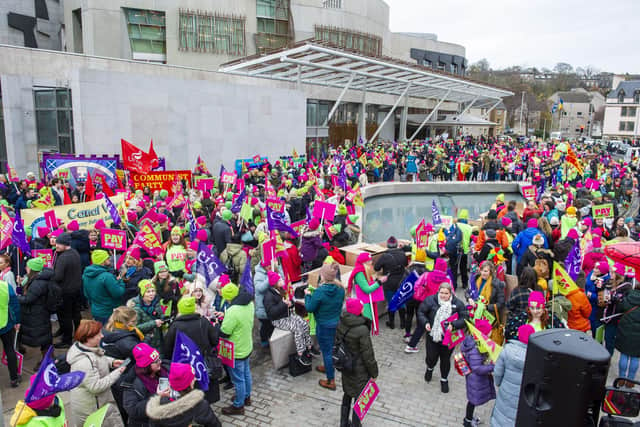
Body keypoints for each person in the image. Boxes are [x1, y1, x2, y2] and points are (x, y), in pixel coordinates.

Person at [66, 319, 126, 427]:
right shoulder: (83, 362)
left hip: (96, 402)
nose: (102, 336)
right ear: (89, 338)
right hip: (92, 408)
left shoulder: (88, 349)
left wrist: (111, 362)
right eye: (98, 334)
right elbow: (95, 387)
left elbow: (97, 358)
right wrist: (117, 372)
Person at [163, 296, 220, 403]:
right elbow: (215, 340)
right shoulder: (203, 321)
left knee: (187, 389)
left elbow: (168, 347)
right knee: (203, 387)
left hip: (184, 364)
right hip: (201, 363)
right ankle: (203, 407)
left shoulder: (175, 325)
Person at [418, 281, 467, 393]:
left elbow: (465, 318)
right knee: (431, 357)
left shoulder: (458, 304)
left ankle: (444, 379)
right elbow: (421, 312)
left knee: (445, 360)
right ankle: (429, 368)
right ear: (438, 292)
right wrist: (425, 322)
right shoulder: (431, 300)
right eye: (442, 293)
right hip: (433, 336)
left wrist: (454, 325)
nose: (444, 295)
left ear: (451, 294)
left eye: (446, 293)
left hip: (448, 339)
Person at [337, 298, 378, 427]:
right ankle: (356, 425)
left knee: (347, 394)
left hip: (346, 365)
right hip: (359, 369)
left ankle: (343, 423)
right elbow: (368, 354)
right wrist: (374, 372)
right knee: (360, 399)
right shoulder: (361, 330)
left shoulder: (341, 322)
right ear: (358, 311)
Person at [304, 263, 345, 390]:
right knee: (329, 348)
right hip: (335, 323)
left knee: (326, 351)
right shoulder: (340, 288)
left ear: (324, 276)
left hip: (323, 325)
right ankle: (328, 366)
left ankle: (330, 380)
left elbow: (309, 308)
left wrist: (307, 295)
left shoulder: (320, 292)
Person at [145, 363, 221, 427]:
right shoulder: (199, 405)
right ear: (189, 384)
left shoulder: (158, 406)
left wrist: (158, 396)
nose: (195, 379)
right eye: (192, 378)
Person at [219, 282, 255, 416]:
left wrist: (219, 325)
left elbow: (225, 332)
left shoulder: (232, 311)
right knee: (246, 373)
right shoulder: (249, 303)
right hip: (246, 345)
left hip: (236, 350)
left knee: (238, 379)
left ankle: (238, 406)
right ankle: (246, 396)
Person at [264, 271, 314, 365]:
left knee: (304, 323)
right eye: (280, 279)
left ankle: (309, 347)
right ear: (275, 283)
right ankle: (301, 353)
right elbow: (271, 313)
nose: (282, 280)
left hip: (287, 315)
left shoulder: (281, 290)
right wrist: (284, 304)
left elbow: (288, 301)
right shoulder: (268, 296)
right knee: (297, 328)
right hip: (278, 320)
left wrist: (290, 304)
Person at [490, 324, 535, 427]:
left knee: (502, 414)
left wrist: (498, 383)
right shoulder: (535, 356)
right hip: (524, 396)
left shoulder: (507, 350)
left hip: (506, 390)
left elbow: (497, 372)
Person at [17, 257, 52, 371]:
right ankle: (47, 356)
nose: (25, 268)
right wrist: (21, 281)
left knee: (43, 337)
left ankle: (47, 359)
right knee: (44, 336)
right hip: (38, 312)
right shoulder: (35, 279)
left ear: (32, 269)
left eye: (27, 266)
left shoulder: (38, 283)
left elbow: (29, 299)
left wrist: (17, 298)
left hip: (38, 314)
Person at [122, 343, 168, 427]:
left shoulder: (163, 370)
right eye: (156, 361)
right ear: (146, 366)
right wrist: (157, 397)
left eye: (159, 358)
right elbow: (133, 411)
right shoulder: (131, 383)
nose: (160, 362)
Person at [461, 319, 496, 427]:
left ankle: (469, 418)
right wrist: (492, 367)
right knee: (473, 400)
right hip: (475, 379)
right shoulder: (476, 348)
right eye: (489, 332)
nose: (491, 333)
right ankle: (468, 421)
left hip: (473, 378)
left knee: (472, 399)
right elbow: (477, 368)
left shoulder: (474, 341)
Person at [52, 232, 82, 348]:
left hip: (65, 291)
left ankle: (66, 340)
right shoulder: (74, 252)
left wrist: (50, 274)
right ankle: (78, 333)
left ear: (65, 244)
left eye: (59, 244)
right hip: (75, 289)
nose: (57, 246)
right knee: (75, 314)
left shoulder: (63, 257)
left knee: (65, 317)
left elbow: (58, 276)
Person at [83, 249, 126, 325]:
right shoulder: (106, 277)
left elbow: (86, 294)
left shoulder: (85, 275)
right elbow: (118, 293)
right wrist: (120, 281)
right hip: (109, 312)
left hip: (96, 311)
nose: (109, 259)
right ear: (103, 261)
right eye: (107, 258)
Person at [374, 236, 408, 329]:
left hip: (389, 283)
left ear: (387, 245)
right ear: (396, 244)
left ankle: (392, 323)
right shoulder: (402, 253)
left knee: (391, 302)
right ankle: (403, 324)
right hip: (401, 281)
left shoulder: (385, 256)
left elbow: (376, 268)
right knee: (401, 301)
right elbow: (405, 264)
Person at [348, 253, 384, 335]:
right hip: (362, 303)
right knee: (364, 325)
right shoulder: (359, 273)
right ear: (364, 262)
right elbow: (366, 289)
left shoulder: (363, 270)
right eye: (369, 261)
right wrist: (379, 282)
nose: (371, 262)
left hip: (365, 301)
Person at [614, 282, 640, 386]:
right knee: (635, 357)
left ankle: (621, 378)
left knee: (624, 355)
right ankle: (630, 381)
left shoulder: (629, 295)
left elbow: (620, 308)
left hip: (625, 329)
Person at [130, 280, 164, 352]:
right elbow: (135, 328)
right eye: (148, 292)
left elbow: (160, 315)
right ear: (142, 293)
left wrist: (164, 318)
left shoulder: (156, 303)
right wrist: (153, 323)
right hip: (145, 342)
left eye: (153, 291)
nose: (151, 294)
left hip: (158, 340)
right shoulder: (136, 308)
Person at [0, 271, 20, 388]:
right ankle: (14, 378)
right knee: (10, 350)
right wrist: (17, 321)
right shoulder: (5, 286)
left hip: (6, 323)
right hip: (5, 323)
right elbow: (14, 305)